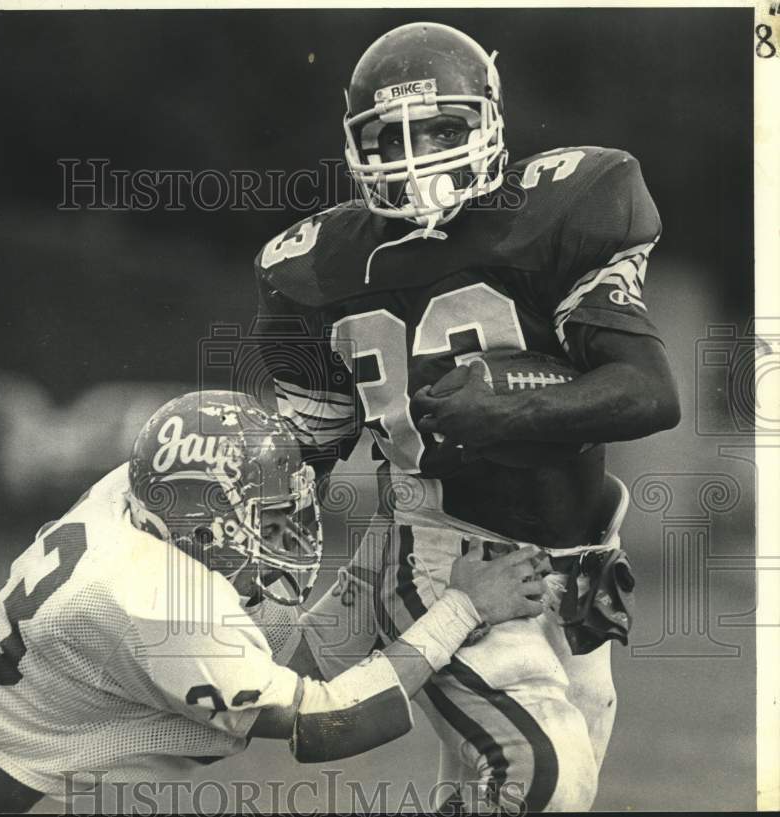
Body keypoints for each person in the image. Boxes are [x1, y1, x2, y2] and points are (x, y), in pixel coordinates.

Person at [251, 22, 680, 813]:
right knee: (543, 775)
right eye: (391, 136)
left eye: (443, 126)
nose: (417, 155)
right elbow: (305, 450)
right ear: (355, 147)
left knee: (522, 785)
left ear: (489, 120)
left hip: (575, 566)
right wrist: (255, 576)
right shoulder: (315, 269)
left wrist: (509, 410)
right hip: (442, 554)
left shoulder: (564, 207)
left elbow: (651, 391)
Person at [0, 390, 548, 814]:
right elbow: (329, 721)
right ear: (201, 524)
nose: (286, 533)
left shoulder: (133, 500)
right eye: (266, 518)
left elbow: (283, 651)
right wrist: (462, 609)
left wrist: (388, 541)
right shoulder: (155, 602)